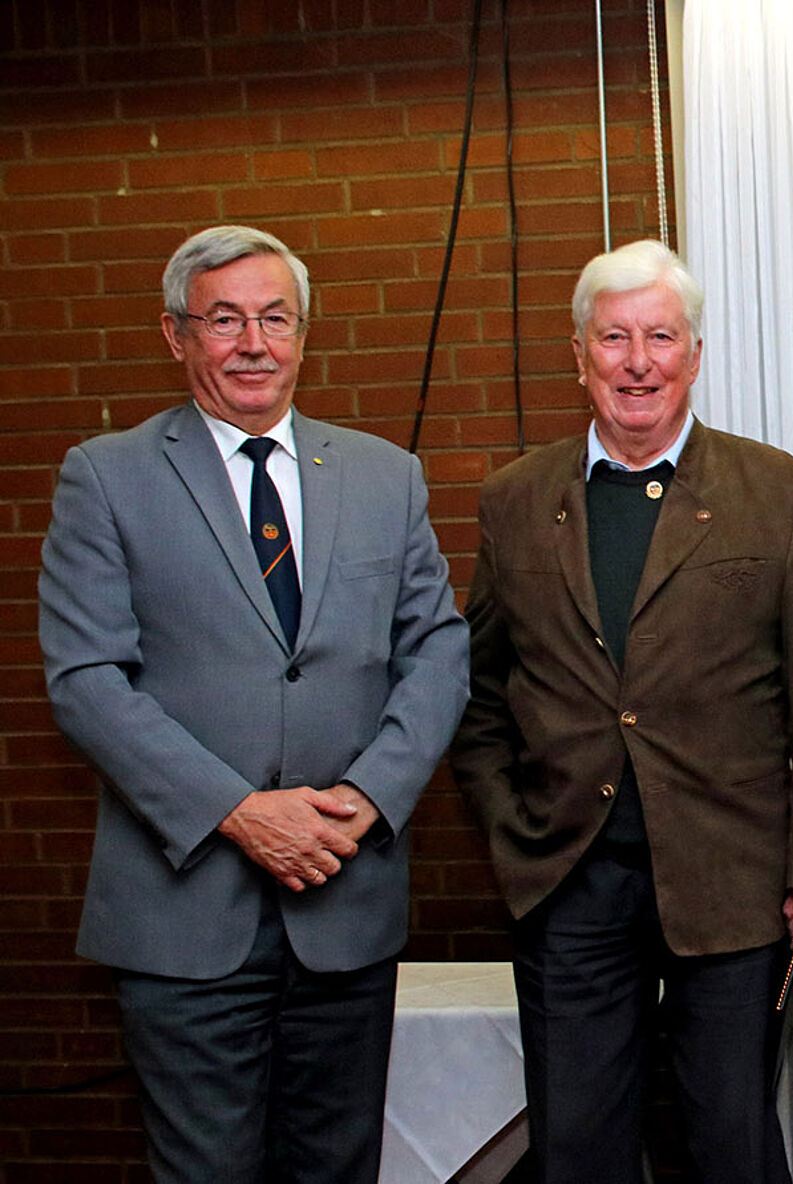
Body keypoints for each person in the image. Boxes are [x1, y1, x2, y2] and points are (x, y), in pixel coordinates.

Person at [37, 224, 469, 1183]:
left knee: (337, 1168)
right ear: (175, 334)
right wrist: (237, 813)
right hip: (182, 916)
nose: (253, 342)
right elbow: (87, 681)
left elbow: (437, 648)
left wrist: (370, 793)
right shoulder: (105, 477)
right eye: (224, 319)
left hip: (345, 908)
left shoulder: (382, 475)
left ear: (304, 333)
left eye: (275, 317)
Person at [451, 239, 793, 1184]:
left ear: (696, 354)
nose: (639, 362)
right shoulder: (515, 499)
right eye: (615, 339)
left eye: (661, 338)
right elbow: (478, 692)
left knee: (729, 1142)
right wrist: (512, 831)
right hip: (570, 880)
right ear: (580, 354)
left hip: (734, 879)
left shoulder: (778, 492)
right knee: (579, 1146)